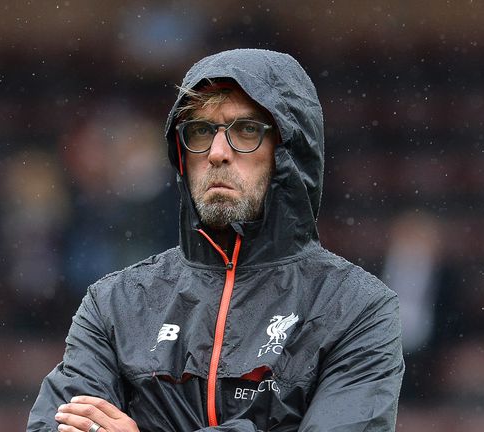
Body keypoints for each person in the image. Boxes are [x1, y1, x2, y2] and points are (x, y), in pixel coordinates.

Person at [27, 48, 404, 432]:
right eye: (201, 131)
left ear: (289, 151)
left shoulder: (357, 309)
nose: (217, 152)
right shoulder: (113, 305)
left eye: (246, 130)